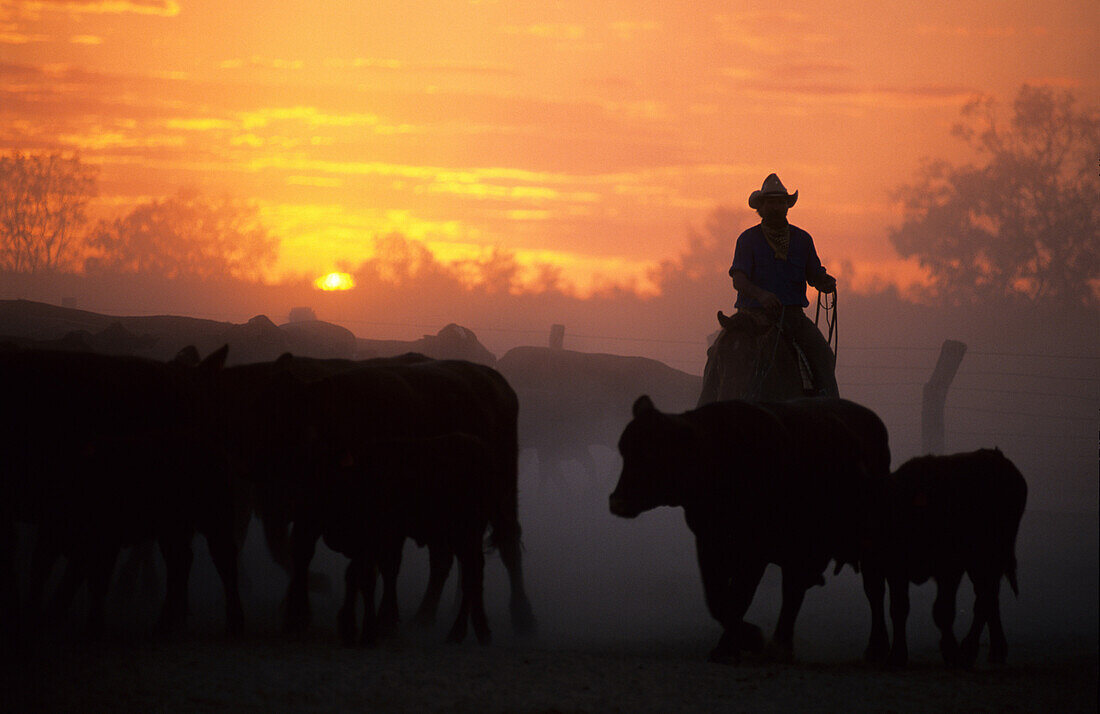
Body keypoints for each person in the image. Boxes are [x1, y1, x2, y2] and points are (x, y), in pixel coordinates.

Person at [727, 173, 839, 397]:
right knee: (722, 354)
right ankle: (709, 401)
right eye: (771, 203)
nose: (776, 207)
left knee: (823, 355)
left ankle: (829, 410)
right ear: (761, 207)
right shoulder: (747, 240)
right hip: (753, 317)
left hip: (793, 318)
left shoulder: (802, 240)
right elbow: (739, 280)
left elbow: (814, 274)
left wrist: (824, 282)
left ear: (787, 206)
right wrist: (761, 295)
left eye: (780, 202)